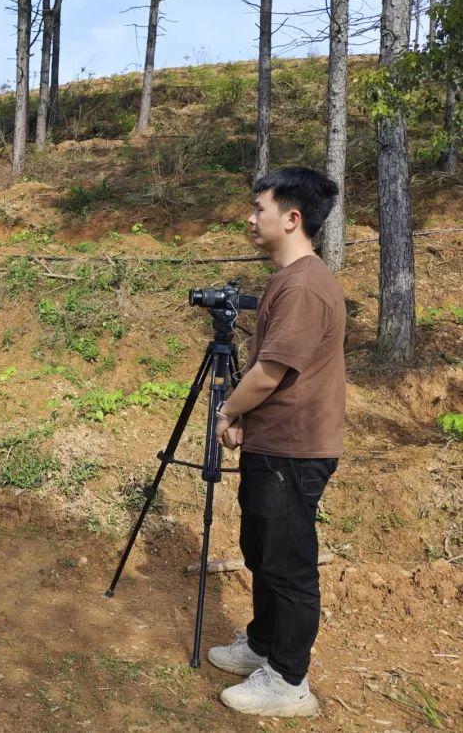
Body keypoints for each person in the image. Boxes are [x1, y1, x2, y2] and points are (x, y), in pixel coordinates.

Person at [208, 167, 346, 717]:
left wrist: (228, 411)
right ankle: (264, 644)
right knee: (263, 552)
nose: (250, 217)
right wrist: (248, 421)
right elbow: (284, 374)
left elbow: (268, 371)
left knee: (287, 564)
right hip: (277, 440)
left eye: (259, 208)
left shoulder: (306, 284)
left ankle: (289, 681)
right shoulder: (288, 280)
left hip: (297, 446)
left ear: (292, 218)